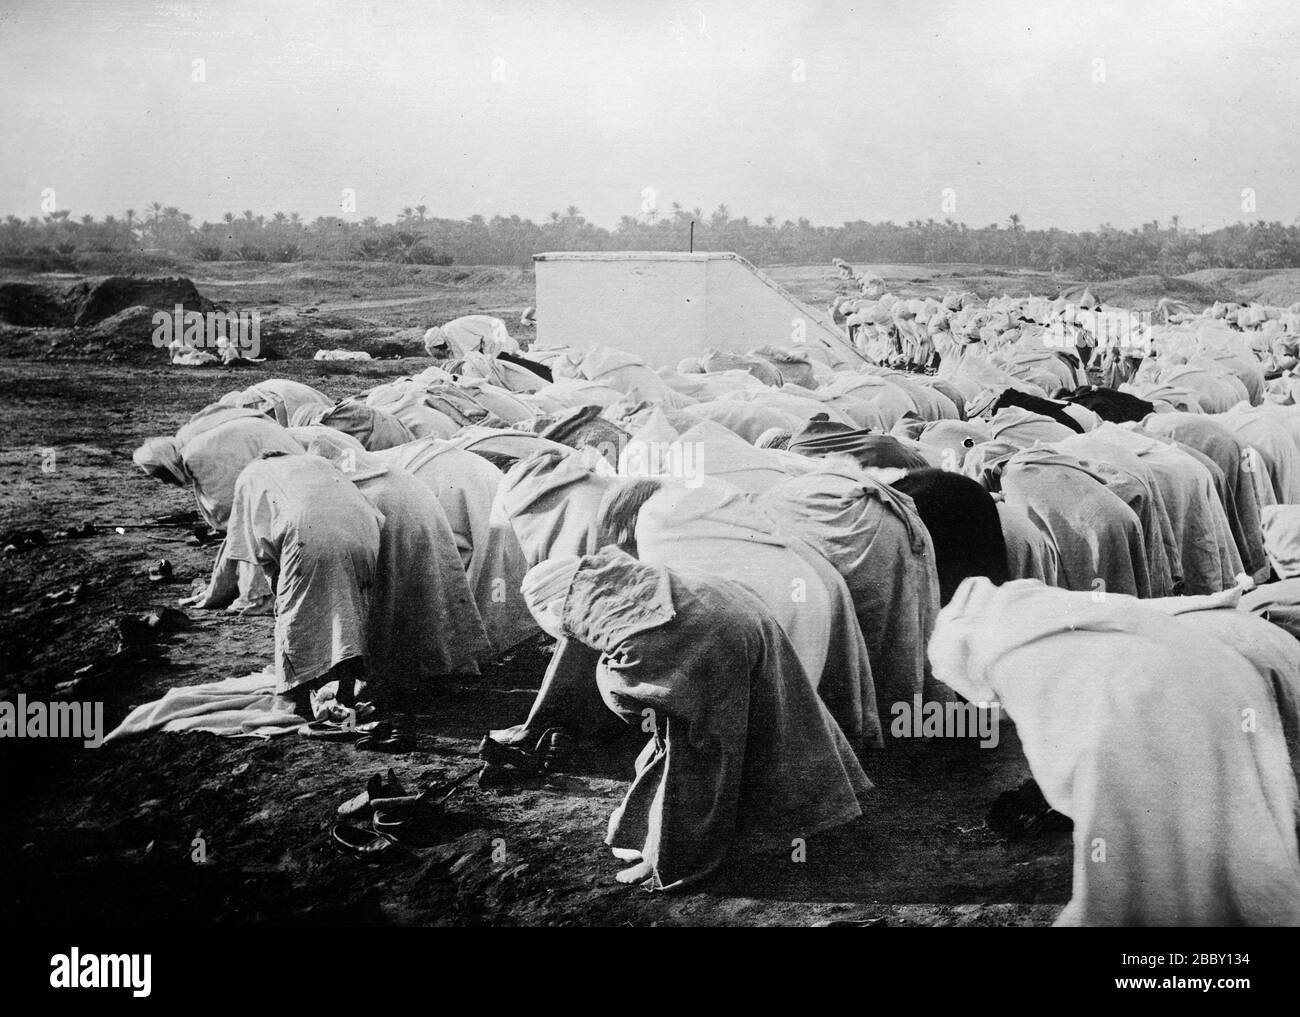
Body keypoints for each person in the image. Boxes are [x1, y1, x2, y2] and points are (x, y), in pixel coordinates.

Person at [521, 547, 872, 890]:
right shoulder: (619, 577)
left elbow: (631, 701)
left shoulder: (613, 621)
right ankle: (799, 817)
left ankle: (671, 855)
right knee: (775, 720)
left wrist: (608, 678)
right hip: (743, 612)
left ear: (557, 606)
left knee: (697, 752)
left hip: (717, 637)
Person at [224, 452, 382, 717]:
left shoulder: (251, 476)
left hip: (306, 536)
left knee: (297, 616)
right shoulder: (316, 462)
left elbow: (255, 547)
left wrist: (279, 585)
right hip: (363, 528)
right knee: (349, 615)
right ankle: (345, 690)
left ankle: (299, 694)